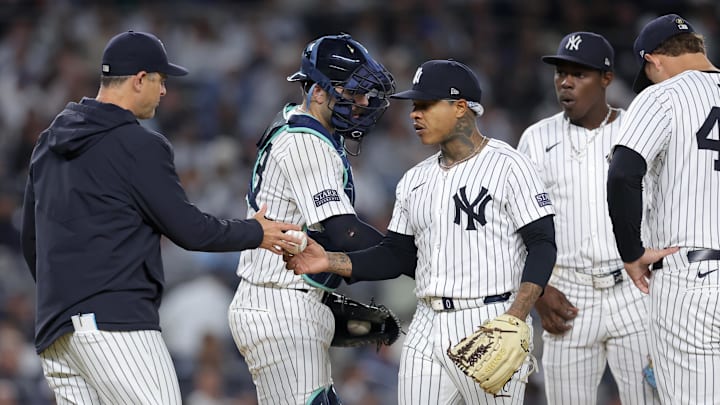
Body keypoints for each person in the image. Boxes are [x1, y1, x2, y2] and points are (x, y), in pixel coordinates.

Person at [19, 30, 300, 405]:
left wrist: (68, 297)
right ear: (139, 79)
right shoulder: (139, 144)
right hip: (116, 325)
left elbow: (30, 241)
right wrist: (256, 232)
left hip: (57, 334)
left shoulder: (48, 143)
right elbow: (189, 229)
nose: (165, 91)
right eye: (160, 80)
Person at [285, 59, 557, 404]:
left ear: (461, 108)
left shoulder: (510, 165)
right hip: (426, 323)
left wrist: (516, 316)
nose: (414, 115)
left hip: (490, 319)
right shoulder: (415, 179)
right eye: (414, 106)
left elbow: (543, 243)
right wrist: (330, 261)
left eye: (425, 105)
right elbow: (394, 255)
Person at [226, 33, 396, 404]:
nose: (363, 102)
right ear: (317, 91)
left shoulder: (302, 127)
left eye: (365, 93)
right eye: (352, 92)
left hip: (282, 300)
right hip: (280, 305)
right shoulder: (306, 141)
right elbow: (346, 231)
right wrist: (406, 254)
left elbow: (322, 233)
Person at [517, 31, 659, 404]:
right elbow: (515, 226)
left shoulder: (638, 127)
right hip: (568, 294)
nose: (565, 82)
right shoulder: (536, 138)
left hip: (634, 292)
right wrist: (539, 292)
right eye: (560, 72)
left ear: (606, 79)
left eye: (579, 74)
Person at [607, 14, 720, 405]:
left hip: (692, 280)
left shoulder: (662, 95)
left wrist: (632, 253)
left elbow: (623, 175)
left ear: (653, 60)